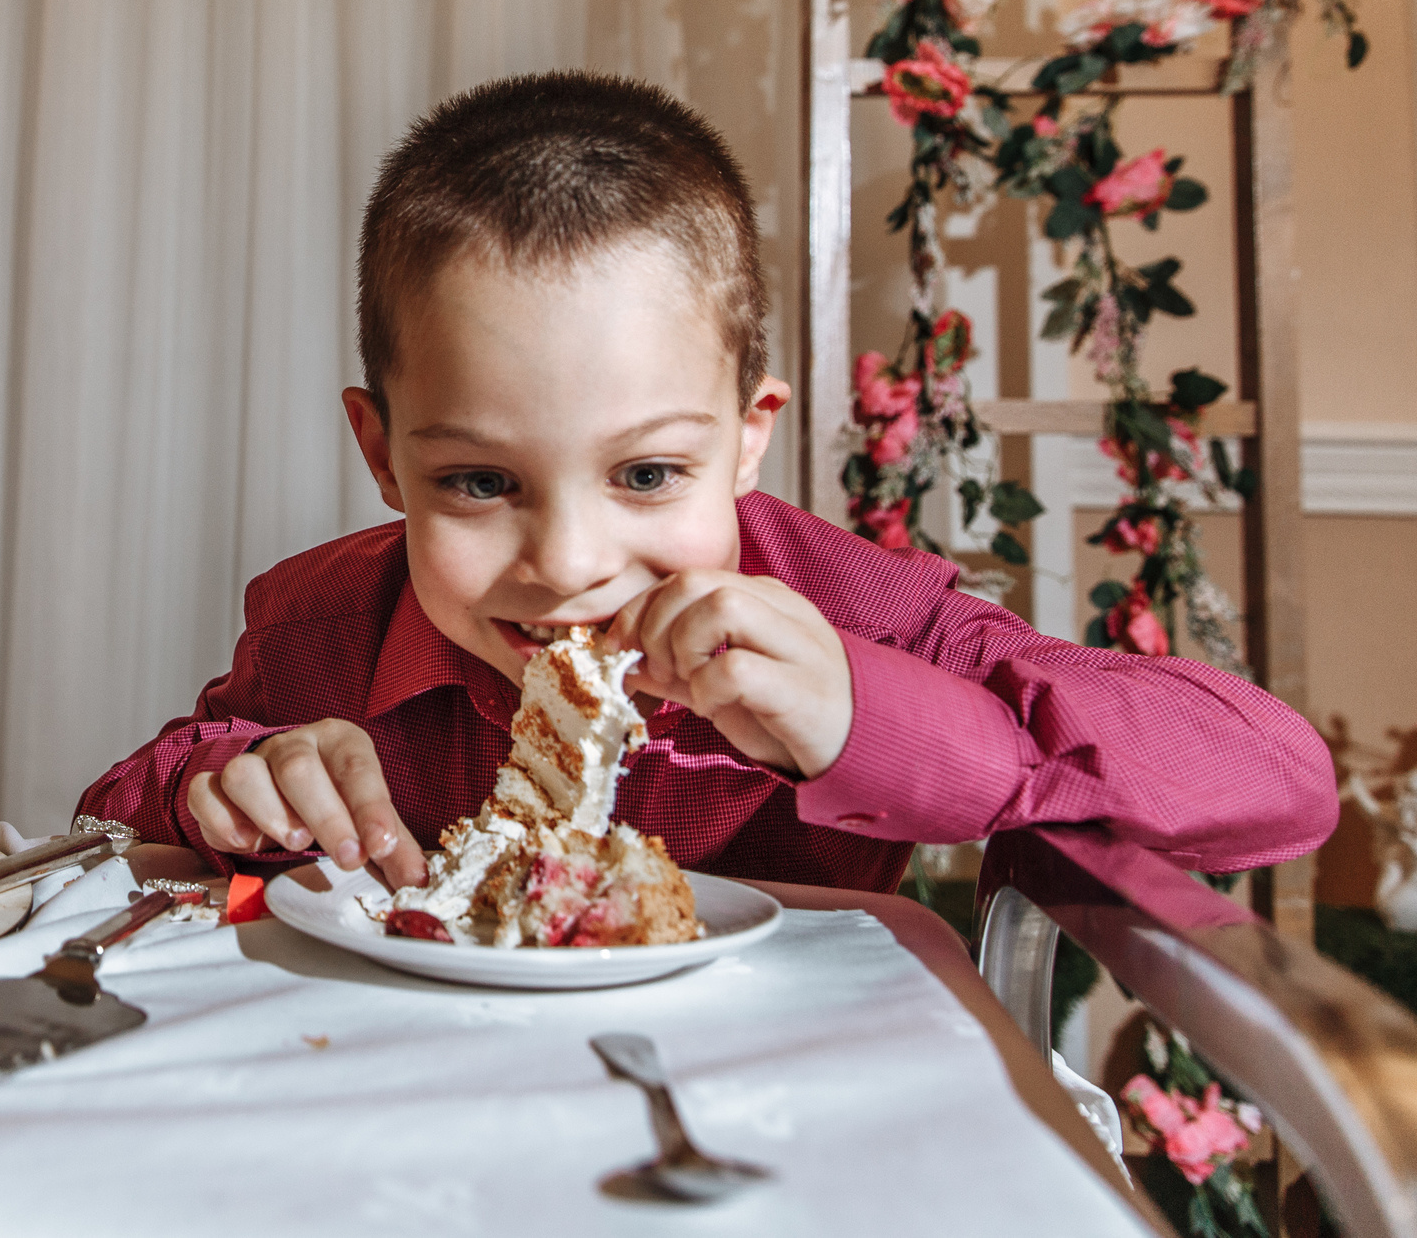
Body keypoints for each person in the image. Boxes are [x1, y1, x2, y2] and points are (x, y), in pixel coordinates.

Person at [74, 71, 1335, 893]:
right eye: (475, 483)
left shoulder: (863, 619)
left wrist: (865, 717)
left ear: (747, 439)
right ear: (378, 454)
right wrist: (217, 780)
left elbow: (1278, 786)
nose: (566, 562)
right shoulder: (319, 627)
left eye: (648, 472)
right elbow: (127, 799)